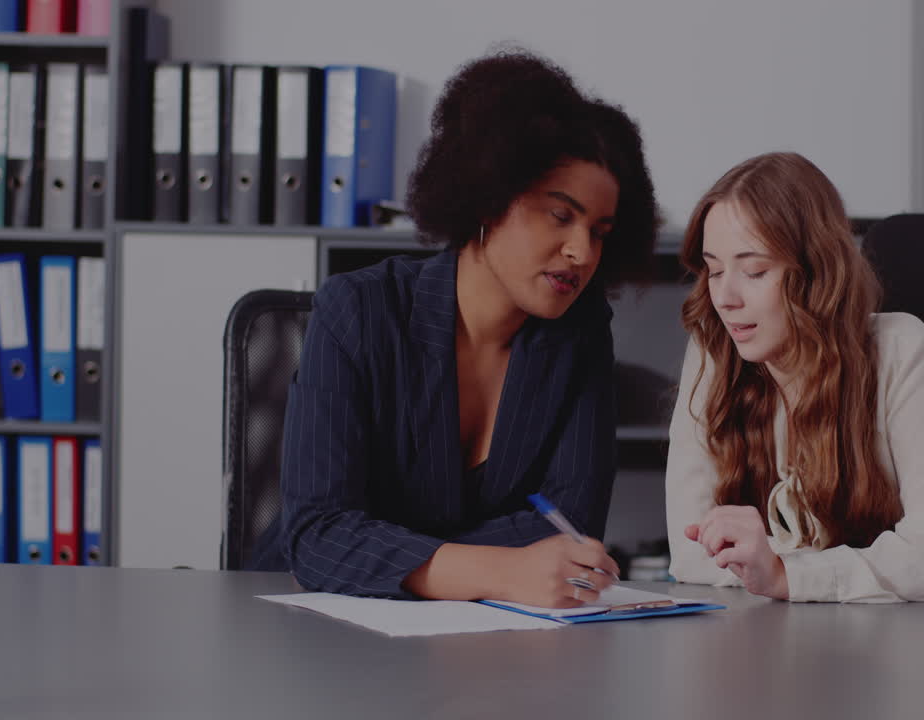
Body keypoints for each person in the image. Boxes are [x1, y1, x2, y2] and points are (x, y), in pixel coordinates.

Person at [279, 50, 660, 607]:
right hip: (324, 629)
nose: (580, 251)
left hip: (487, 644)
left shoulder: (577, 331)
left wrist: (400, 556)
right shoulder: (359, 310)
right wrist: (500, 571)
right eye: (560, 215)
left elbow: (571, 524)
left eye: (599, 231)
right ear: (490, 196)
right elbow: (318, 535)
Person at [665, 152, 924, 602]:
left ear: (816, 273)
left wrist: (781, 574)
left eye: (754, 271)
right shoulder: (712, 352)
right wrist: (786, 574)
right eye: (714, 270)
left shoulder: (900, 349)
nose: (725, 297)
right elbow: (690, 551)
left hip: (881, 652)